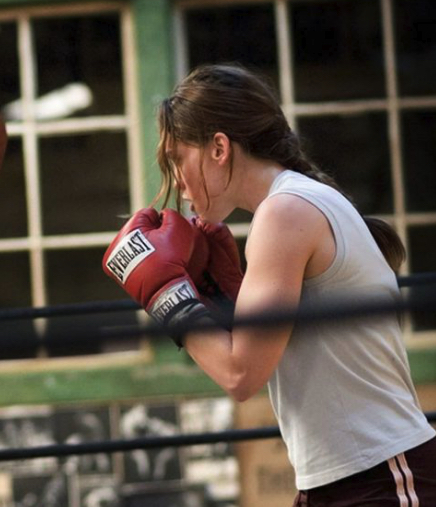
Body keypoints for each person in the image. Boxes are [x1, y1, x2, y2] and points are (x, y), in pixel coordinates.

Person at [105, 63, 435, 505]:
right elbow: (268, 357)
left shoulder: (285, 212)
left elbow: (240, 375)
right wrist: (224, 300)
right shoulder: (295, 203)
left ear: (219, 147)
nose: (178, 183)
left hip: (380, 475)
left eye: (177, 159)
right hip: (336, 480)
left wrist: (169, 297)